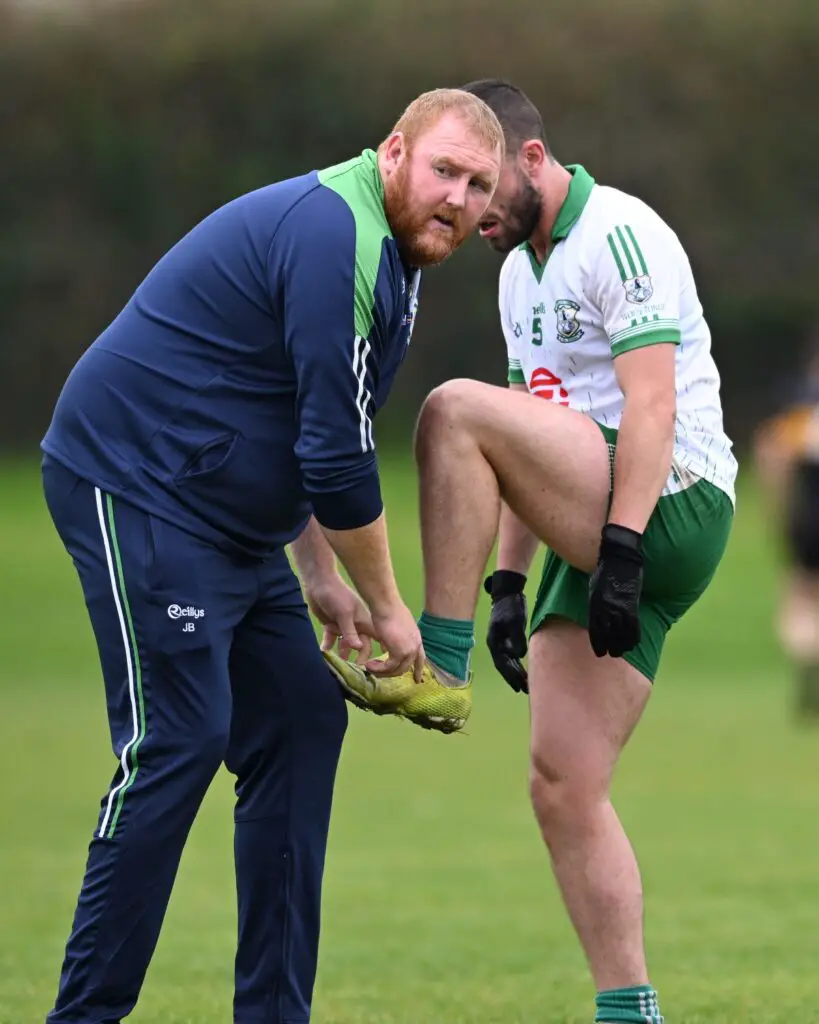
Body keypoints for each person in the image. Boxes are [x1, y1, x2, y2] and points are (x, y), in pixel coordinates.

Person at [39, 88, 503, 1024]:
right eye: (443, 169)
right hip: (133, 483)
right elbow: (337, 457)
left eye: (477, 184)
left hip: (231, 520)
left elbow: (301, 416)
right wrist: (387, 607)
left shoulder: (393, 258)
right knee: (181, 736)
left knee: (299, 720)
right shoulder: (335, 236)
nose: (457, 197)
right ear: (393, 153)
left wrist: (319, 574)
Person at [325, 79, 737, 1023]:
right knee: (562, 783)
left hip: (666, 500)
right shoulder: (519, 273)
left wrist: (623, 550)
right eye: (454, 188)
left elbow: (652, 406)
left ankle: (439, 652)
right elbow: (530, 446)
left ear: (534, 162)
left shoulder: (619, 233)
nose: (468, 210)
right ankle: (627, 1008)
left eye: (481, 185)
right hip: (601, 520)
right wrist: (509, 582)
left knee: (451, 411)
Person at [753, 340, 819, 716]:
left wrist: (777, 508)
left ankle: (808, 657)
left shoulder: (800, 412)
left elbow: (770, 454)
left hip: (807, 517)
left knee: (801, 595)